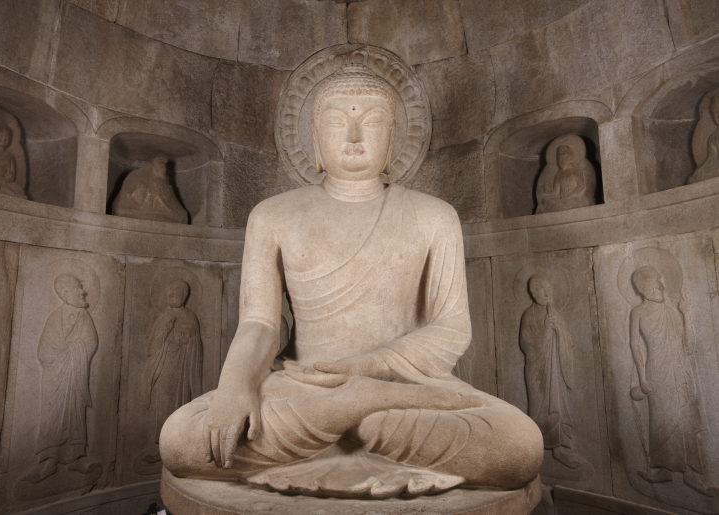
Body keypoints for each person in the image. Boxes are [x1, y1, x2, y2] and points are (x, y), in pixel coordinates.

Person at [160, 64, 543, 496]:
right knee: (181, 440)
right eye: (337, 121)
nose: (355, 135)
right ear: (314, 138)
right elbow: (260, 323)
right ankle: (357, 407)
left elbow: (452, 327)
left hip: (406, 386)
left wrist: (367, 369)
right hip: (304, 385)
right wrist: (234, 388)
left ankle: (356, 408)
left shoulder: (435, 216)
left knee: (518, 447)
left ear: (393, 139)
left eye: (373, 121)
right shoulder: (272, 216)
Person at [628, 266, 712, 494]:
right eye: (656, 282)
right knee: (661, 422)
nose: (662, 286)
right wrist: (642, 378)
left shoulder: (670, 312)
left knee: (684, 419)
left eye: (661, 282)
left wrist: (686, 314)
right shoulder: (637, 312)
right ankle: (664, 470)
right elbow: (634, 345)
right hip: (657, 371)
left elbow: (688, 346)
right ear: (643, 287)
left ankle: (692, 475)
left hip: (678, 371)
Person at [23, 274, 100, 484]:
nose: (83, 291)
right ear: (66, 294)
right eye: (78, 288)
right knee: (53, 416)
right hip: (55, 376)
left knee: (76, 414)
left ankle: (75, 458)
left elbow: (91, 342)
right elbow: (43, 350)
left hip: (75, 374)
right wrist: (62, 352)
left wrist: (75, 349)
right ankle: (49, 461)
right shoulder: (55, 317)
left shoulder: (84, 316)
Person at [138, 280, 202, 465]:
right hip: (166, 364)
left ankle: (181, 445)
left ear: (185, 296)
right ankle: (162, 446)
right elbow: (153, 346)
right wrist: (167, 333)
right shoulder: (165, 317)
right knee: (164, 403)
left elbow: (197, 344)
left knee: (183, 405)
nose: (172, 295)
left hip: (184, 368)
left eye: (177, 292)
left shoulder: (191, 317)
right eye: (170, 292)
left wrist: (189, 341)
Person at [520, 272, 580, 468]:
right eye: (541, 290)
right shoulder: (528, 315)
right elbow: (525, 344)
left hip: (554, 367)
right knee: (538, 408)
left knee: (556, 406)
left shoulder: (554, 314)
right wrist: (545, 332)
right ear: (533, 292)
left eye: (548, 289)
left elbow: (567, 340)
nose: (546, 294)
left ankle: (558, 450)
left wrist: (558, 329)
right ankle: (536, 448)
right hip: (536, 369)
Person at [112, 157, 188, 224]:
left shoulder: (164, 178)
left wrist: (159, 193)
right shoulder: (138, 174)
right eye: (161, 166)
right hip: (133, 205)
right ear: (154, 167)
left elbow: (173, 204)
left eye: (164, 167)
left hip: (159, 209)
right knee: (142, 186)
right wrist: (149, 194)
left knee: (180, 216)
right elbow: (127, 192)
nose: (164, 168)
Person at [536, 140, 594, 214]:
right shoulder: (559, 173)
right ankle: (555, 207)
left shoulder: (576, 170)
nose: (560, 160)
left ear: (570, 157)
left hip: (572, 198)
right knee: (545, 200)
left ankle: (549, 209)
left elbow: (580, 186)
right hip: (562, 198)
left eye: (563, 157)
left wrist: (570, 195)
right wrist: (547, 190)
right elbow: (556, 191)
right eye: (559, 158)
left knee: (551, 208)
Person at [688, 94, 719, 184]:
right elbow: (712, 158)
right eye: (715, 113)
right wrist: (700, 170)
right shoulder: (713, 137)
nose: (717, 116)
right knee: (693, 179)